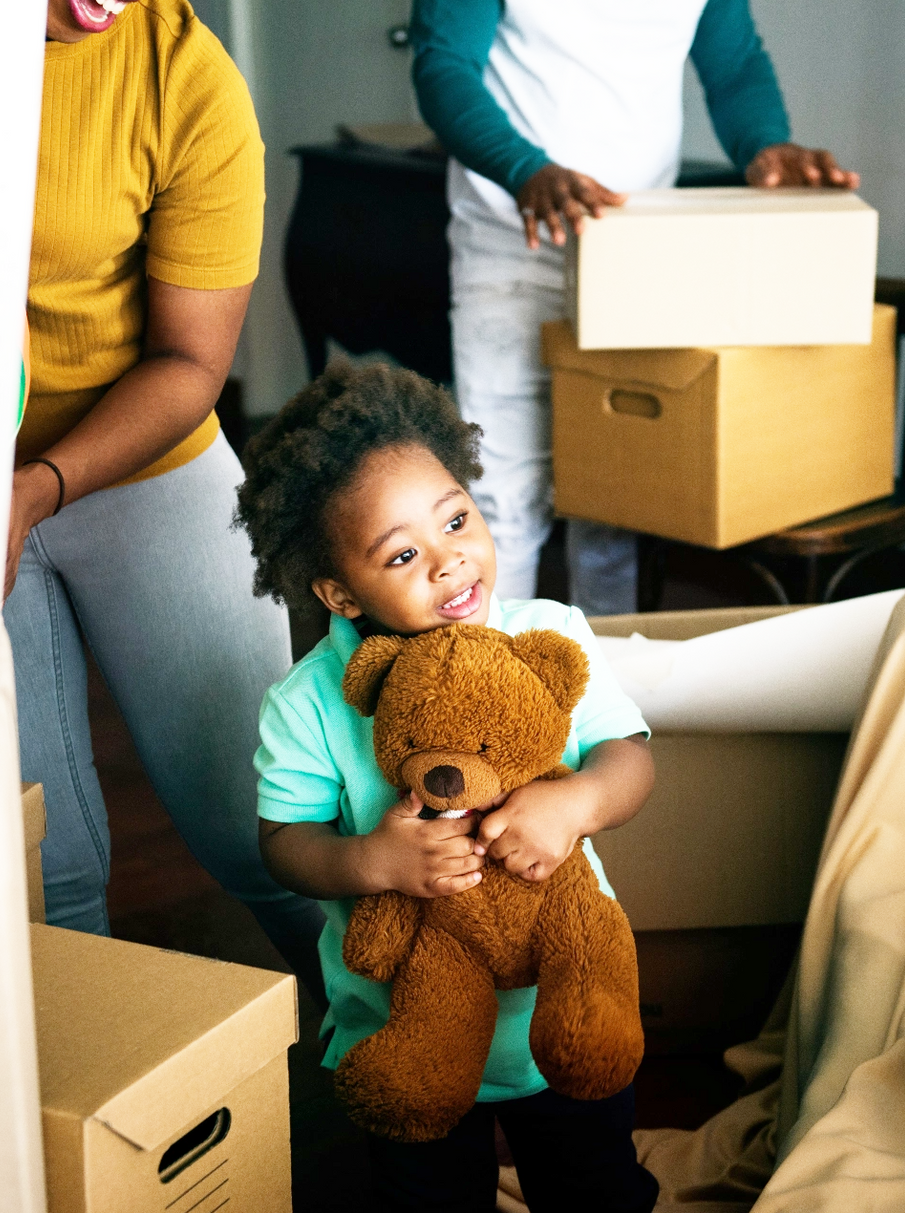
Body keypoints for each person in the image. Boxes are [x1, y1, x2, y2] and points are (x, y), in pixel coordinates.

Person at [0, 0, 325, 997]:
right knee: (40, 872)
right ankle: (86, 1128)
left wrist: (40, 485)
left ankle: (423, 1077)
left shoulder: (188, 81)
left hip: (143, 457)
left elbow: (191, 361)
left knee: (265, 830)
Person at [234, 362, 659, 1213]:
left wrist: (574, 802)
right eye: (402, 554)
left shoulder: (546, 633)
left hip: (561, 1007)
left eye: (456, 519)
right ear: (337, 591)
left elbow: (631, 759)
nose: (450, 560)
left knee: (596, 1187)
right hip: (404, 1027)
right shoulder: (310, 701)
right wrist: (371, 861)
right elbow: (284, 843)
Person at [411, 0, 860, 616]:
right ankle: (498, 698)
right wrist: (525, 170)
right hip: (512, 242)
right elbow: (443, 66)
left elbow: (734, 67)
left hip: (634, 252)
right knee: (503, 502)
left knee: (615, 502)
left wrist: (765, 143)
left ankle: (603, 696)